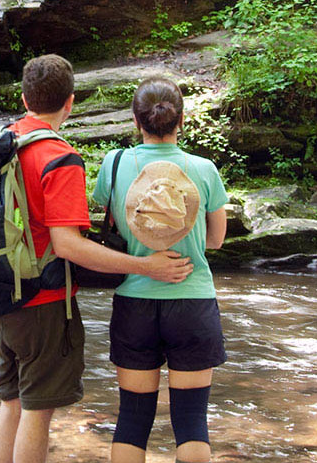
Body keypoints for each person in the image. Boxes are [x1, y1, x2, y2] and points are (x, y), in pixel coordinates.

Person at [0, 56, 194, 463]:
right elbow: (68, 246)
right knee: (36, 410)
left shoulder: (2, 142)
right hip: (42, 301)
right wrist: (146, 266)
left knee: (10, 402)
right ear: (71, 102)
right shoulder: (57, 157)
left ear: (24, 98)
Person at [92, 77, 228, 463]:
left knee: (132, 419)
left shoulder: (114, 164)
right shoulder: (203, 169)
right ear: (181, 121)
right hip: (193, 302)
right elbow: (215, 239)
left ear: (137, 122)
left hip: (134, 303)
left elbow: (112, 222)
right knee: (191, 421)